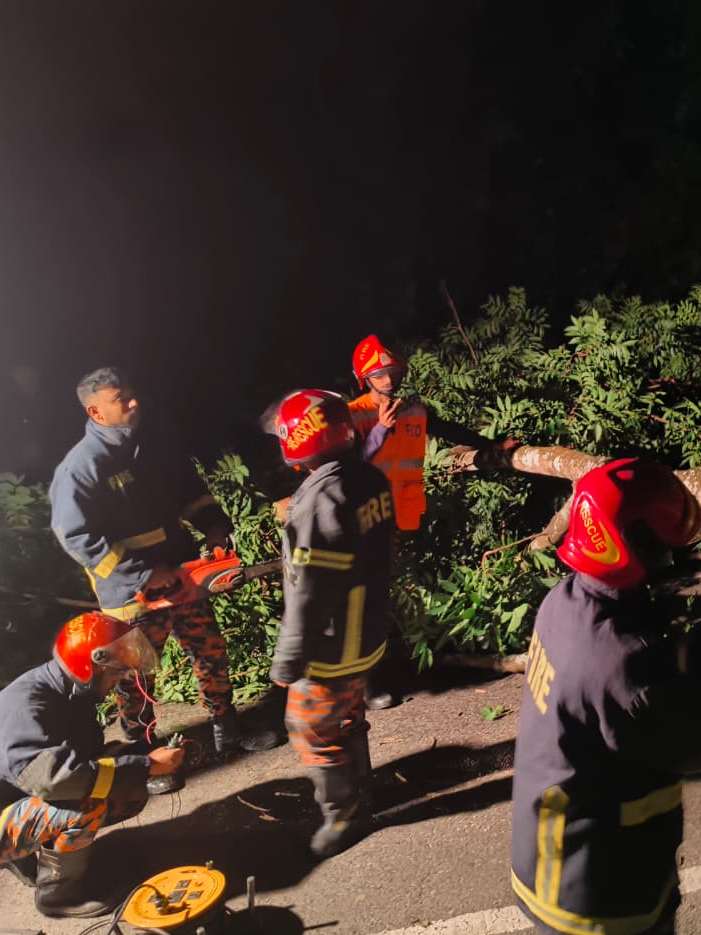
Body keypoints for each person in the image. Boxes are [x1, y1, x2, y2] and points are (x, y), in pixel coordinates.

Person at [510, 458, 701, 935]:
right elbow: (693, 737)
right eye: (664, 551)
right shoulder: (619, 668)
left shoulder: (566, 602)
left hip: (561, 858)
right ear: (634, 548)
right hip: (597, 886)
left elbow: (642, 661)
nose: (669, 564)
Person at [49, 367, 282, 794]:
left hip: (182, 576)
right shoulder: (81, 468)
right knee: (136, 679)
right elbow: (76, 536)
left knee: (210, 650)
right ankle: (144, 757)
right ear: (96, 412)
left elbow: (191, 493)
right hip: (130, 595)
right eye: (123, 398)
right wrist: (141, 572)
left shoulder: (155, 446)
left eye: (134, 394)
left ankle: (226, 730)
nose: (135, 402)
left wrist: (213, 525)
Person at [0, 612, 184, 919]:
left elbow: (88, 757)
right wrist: (145, 766)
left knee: (119, 784)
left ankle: (32, 860)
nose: (118, 682)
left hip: (5, 800)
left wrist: (142, 754)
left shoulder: (63, 690)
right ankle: (58, 896)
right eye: (114, 673)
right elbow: (56, 781)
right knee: (88, 801)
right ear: (90, 666)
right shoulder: (27, 707)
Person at [348, 334, 520, 708]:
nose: (388, 380)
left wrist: (489, 446)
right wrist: (379, 429)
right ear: (365, 378)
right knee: (365, 601)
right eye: (379, 374)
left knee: (383, 597)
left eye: (391, 371)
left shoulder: (412, 409)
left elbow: (446, 430)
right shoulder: (354, 414)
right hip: (360, 522)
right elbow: (345, 467)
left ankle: (381, 668)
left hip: (394, 519)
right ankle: (365, 685)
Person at [270, 389, 395, 858]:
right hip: (370, 632)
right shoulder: (371, 478)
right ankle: (364, 786)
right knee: (350, 709)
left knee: (309, 727)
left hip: (332, 644)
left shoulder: (318, 501)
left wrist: (288, 661)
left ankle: (341, 815)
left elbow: (307, 593)